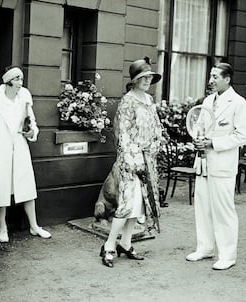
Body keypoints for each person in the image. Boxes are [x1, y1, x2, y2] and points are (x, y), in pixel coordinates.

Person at [186, 63, 246, 270]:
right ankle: (205, 248)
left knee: (223, 210)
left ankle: (227, 255)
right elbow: (200, 126)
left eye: (215, 76)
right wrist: (197, 139)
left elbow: (243, 135)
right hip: (203, 163)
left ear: (227, 79)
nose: (211, 80)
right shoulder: (207, 101)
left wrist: (213, 143)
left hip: (223, 165)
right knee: (202, 206)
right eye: (211, 76)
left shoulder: (238, 103)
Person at [100, 57, 163, 268]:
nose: (147, 80)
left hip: (148, 160)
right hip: (130, 162)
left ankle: (125, 244)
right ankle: (109, 245)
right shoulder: (127, 101)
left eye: (149, 77)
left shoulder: (149, 100)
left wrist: (155, 145)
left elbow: (156, 128)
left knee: (139, 206)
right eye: (143, 77)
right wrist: (134, 160)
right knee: (126, 206)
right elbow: (122, 134)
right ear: (135, 80)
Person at [0, 66, 51, 242]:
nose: (21, 82)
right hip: (1, 148)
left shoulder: (24, 97)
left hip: (20, 146)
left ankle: (34, 226)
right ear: (9, 81)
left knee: (26, 185)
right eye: (18, 79)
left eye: (21, 79)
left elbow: (32, 122)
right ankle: (2, 228)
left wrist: (31, 132)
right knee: (0, 188)